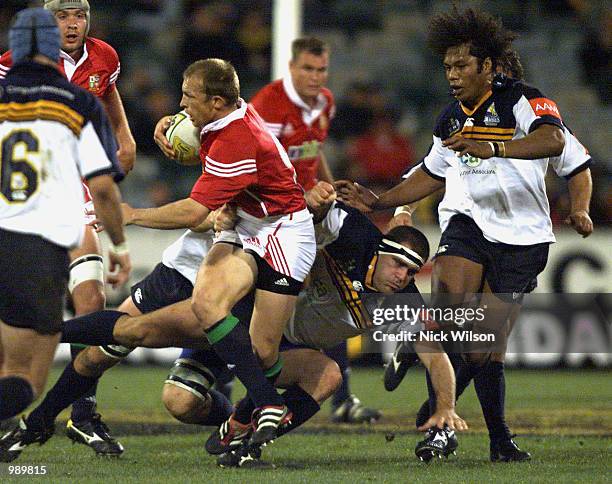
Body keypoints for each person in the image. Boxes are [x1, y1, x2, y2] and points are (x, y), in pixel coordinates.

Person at [0, 183, 467, 466]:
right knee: (130, 332)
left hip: (280, 342)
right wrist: (319, 200)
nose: (402, 278)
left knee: (321, 375)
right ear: (383, 250)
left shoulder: (402, 298)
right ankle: (38, 333)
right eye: (398, 266)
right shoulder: (353, 234)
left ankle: (240, 435)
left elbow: (436, 354)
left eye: (410, 273)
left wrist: (444, 406)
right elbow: (303, 215)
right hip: (246, 312)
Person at [336, 7, 593, 462]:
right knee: (451, 316)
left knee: (483, 349)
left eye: (461, 66)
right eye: (447, 67)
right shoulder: (449, 118)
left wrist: (577, 207)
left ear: (488, 66)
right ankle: (439, 424)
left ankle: (498, 438)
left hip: (522, 236)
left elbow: (557, 144)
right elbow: (431, 173)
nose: (452, 75)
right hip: (469, 224)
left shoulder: (523, 99)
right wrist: (377, 201)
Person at [121, 58, 316, 447]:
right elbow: (213, 151)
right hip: (245, 227)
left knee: (261, 354)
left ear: (215, 102)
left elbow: (194, 213)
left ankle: (248, 415)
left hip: (285, 234)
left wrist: (133, 214)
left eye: (188, 97)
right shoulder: (231, 114)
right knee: (207, 304)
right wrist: (178, 128)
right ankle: (264, 404)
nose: (180, 102)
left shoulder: (237, 139)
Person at [0, 0, 136, 455]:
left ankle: (83, 413)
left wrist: (126, 136)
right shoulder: (64, 98)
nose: (73, 23)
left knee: (90, 297)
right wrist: (120, 242)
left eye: (79, 15)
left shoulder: (104, 59)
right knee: (30, 356)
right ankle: (15, 414)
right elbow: (104, 186)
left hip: (59, 197)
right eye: (62, 16)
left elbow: (110, 98)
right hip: (43, 202)